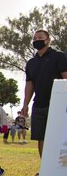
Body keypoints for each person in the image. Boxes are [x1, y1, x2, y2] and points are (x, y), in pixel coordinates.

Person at [21, 29, 67, 159]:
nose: (37, 40)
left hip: (57, 105)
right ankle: (44, 168)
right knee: (41, 138)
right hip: (39, 105)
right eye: (35, 38)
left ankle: (59, 168)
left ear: (48, 40)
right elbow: (29, 84)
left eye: (40, 37)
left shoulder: (59, 56)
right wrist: (25, 104)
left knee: (59, 137)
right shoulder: (31, 63)